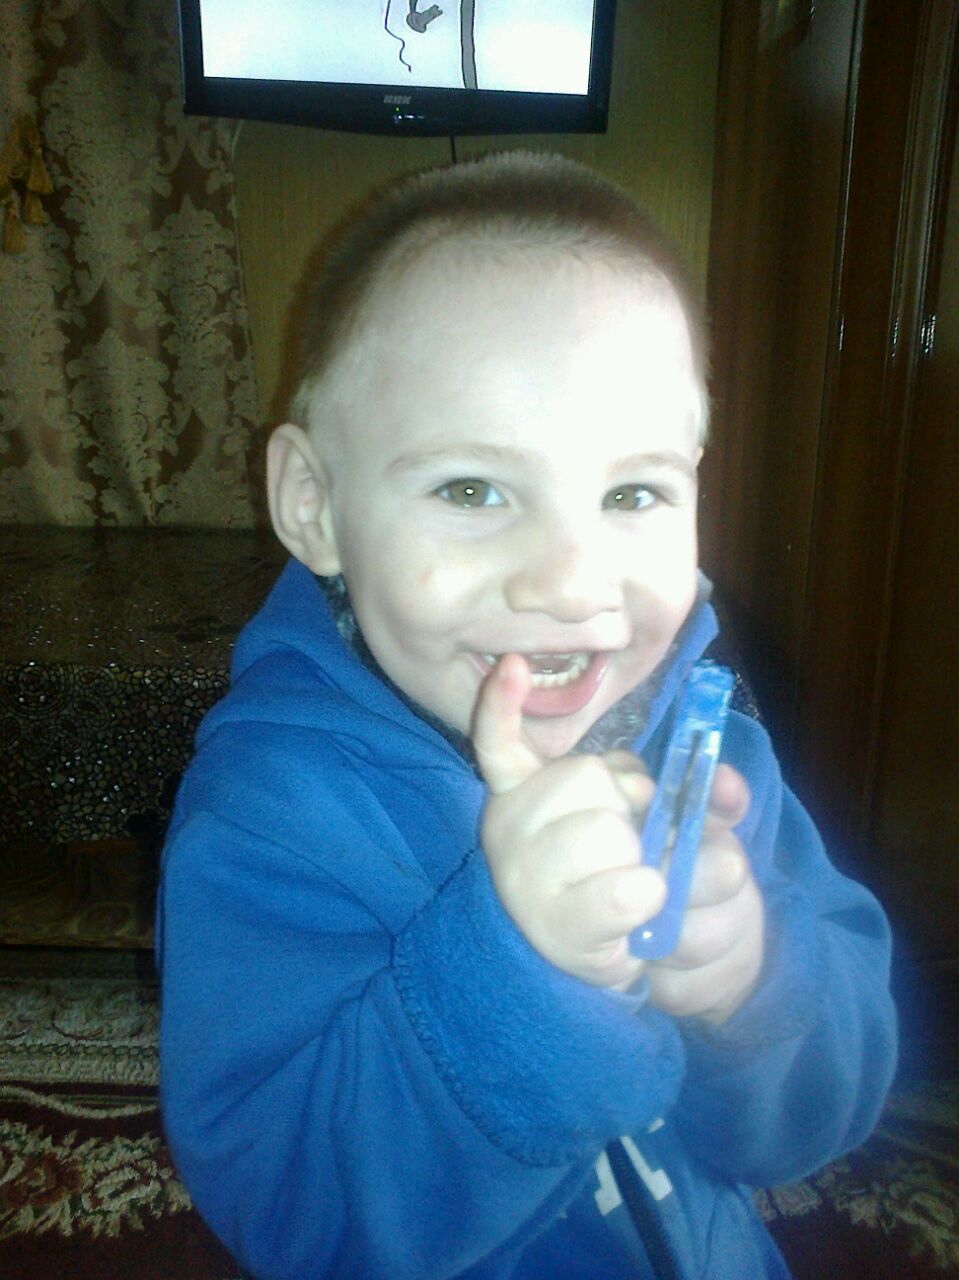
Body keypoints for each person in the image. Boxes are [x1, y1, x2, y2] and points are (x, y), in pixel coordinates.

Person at [156, 151, 897, 1279]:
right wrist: (526, 981)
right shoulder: (271, 815)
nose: (569, 581)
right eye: (471, 489)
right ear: (315, 505)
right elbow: (301, 1215)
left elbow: (820, 1115)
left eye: (632, 492)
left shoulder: (713, 765)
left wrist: (754, 984)